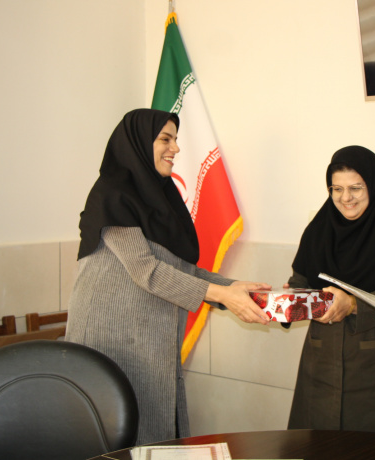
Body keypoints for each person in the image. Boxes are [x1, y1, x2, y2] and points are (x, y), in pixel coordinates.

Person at [65, 108, 270, 445]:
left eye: (176, 139)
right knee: (117, 438)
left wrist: (233, 288)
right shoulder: (112, 194)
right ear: (139, 142)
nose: (175, 148)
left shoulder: (162, 196)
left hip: (149, 338)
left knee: (154, 431)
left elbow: (180, 268)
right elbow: (147, 270)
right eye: (165, 139)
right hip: (111, 342)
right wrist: (221, 295)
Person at [286, 145, 375, 437]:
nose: (345, 198)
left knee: (374, 446)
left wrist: (350, 304)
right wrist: (285, 300)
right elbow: (300, 281)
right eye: (337, 189)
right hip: (320, 360)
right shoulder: (317, 230)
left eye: (355, 188)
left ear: (373, 185)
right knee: (318, 443)